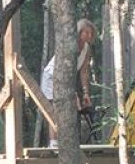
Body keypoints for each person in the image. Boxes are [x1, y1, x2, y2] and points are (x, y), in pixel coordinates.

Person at [40, 19, 98, 147]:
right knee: (55, 109)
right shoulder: (70, 45)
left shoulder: (86, 48)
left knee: (71, 108)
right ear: (79, 32)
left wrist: (85, 92)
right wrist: (73, 93)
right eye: (86, 32)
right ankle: (54, 143)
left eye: (90, 33)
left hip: (67, 78)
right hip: (52, 76)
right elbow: (65, 71)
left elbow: (83, 71)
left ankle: (67, 142)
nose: (89, 35)